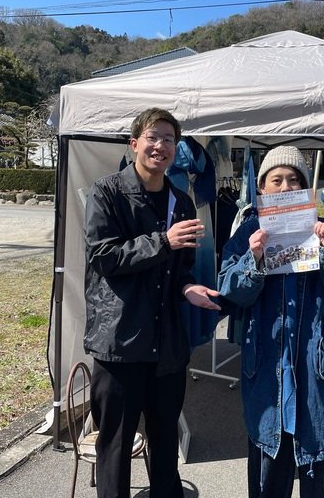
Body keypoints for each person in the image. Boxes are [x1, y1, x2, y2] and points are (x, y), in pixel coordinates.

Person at [217, 145, 324, 498]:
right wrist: (253, 261)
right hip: (270, 377)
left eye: (294, 180)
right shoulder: (248, 233)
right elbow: (229, 292)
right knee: (268, 480)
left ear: (306, 189)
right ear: (263, 191)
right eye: (277, 180)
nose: (285, 187)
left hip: (321, 376)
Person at [83, 107, 221, 498]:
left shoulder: (182, 202)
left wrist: (188, 290)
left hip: (167, 346)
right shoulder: (106, 192)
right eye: (153, 137)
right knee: (115, 447)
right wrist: (163, 241)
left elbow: (181, 271)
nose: (160, 146)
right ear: (135, 144)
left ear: (177, 149)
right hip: (120, 344)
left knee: (164, 444)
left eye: (169, 139)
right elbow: (104, 257)